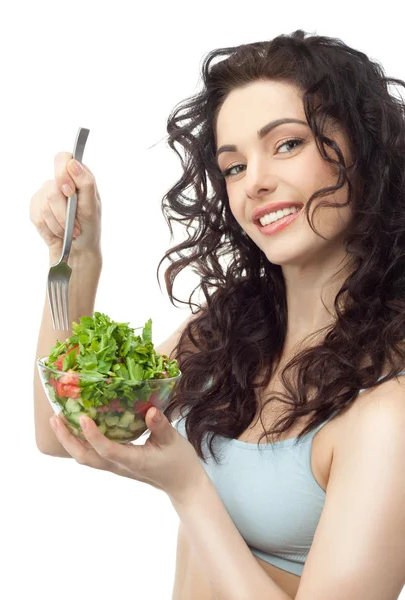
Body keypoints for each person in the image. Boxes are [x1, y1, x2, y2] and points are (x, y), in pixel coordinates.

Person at [30, 29, 405, 600]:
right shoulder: (229, 332)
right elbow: (63, 429)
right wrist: (77, 258)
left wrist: (188, 487)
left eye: (287, 145)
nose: (254, 181)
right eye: (233, 166)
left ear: (365, 151)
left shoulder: (388, 410)